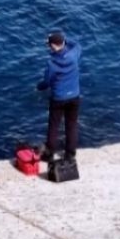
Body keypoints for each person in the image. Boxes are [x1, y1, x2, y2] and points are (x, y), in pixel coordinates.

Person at [36, 30, 82, 161]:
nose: (48, 46)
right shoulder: (74, 55)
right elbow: (77, 44)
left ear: (53, 46)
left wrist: (38, 87)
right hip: (74, 96)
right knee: (72, 125)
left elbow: (47, 82)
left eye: (49, 44)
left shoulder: (52, 63)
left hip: (58, 98)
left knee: (54, 126)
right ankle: (70, 155)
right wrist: (65, 40)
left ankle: (49, 153)